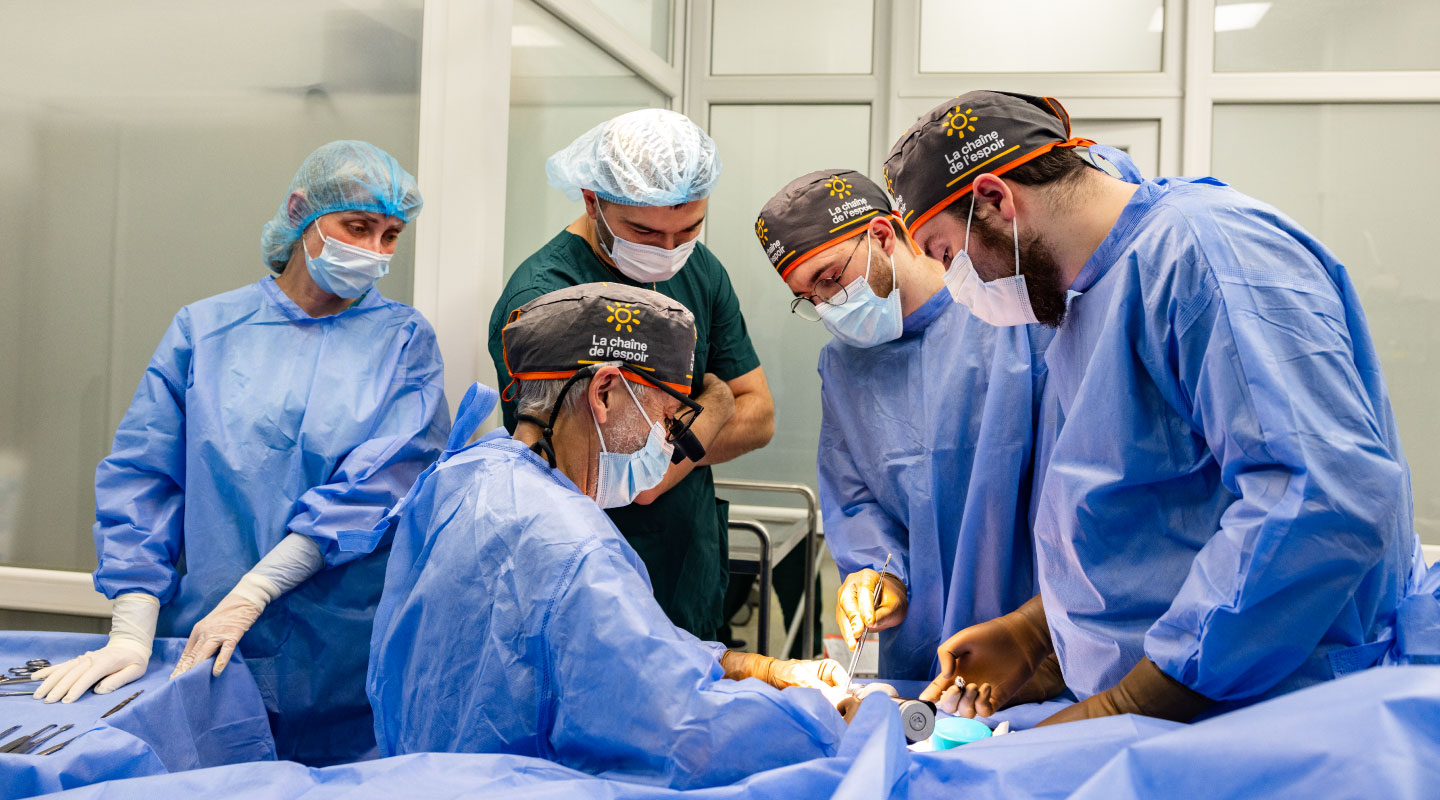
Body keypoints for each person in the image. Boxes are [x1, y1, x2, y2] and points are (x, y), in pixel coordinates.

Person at [885, 90, 1423, 724]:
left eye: (947, 254)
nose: (954, 283)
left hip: (1275, 708)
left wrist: (1143, 696)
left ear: (997, 200)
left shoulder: (1208, 255)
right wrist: (1039, 638)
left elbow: (1323, 495)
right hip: (1182, 711)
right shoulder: (1082, 298)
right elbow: (1154, 511)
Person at [33, 140, 450, 765]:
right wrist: (131, 631)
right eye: (357, 227)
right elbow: (144, 479)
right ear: (300, 212)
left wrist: (255, 591)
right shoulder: (205, 330)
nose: (374, 251)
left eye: (391, 235)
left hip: (336, 659)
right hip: (202, 649)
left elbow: (380, 486)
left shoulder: (402, 341)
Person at [363, 283, 847, 788]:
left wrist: (751, 667)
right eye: (666, 420)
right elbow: (683, 730)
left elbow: (616, 646)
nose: (666, 444)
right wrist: (832, 721)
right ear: (604, 393)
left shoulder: (461, 478)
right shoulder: (572, 545)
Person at [752, 170, 1056, 692]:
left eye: (829, 279)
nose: (826, 305)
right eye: (808, 296)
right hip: (918, 656)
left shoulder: (1008, 316)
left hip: (1034, 639)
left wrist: (1037, 626)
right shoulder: (845, 365)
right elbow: (856, 496)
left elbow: (1068, 480)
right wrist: (879, 577)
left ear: (883, 236)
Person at [487, 109, 773, 641]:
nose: (668, 253)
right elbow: (622, 479)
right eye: (643, 230)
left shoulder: (701, 270)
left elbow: (759, 413)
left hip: (685, 574)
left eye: (689, 228)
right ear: (591, 199)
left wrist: (669, 446)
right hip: (587, 585)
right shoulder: (545, 300)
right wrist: (714, 404)